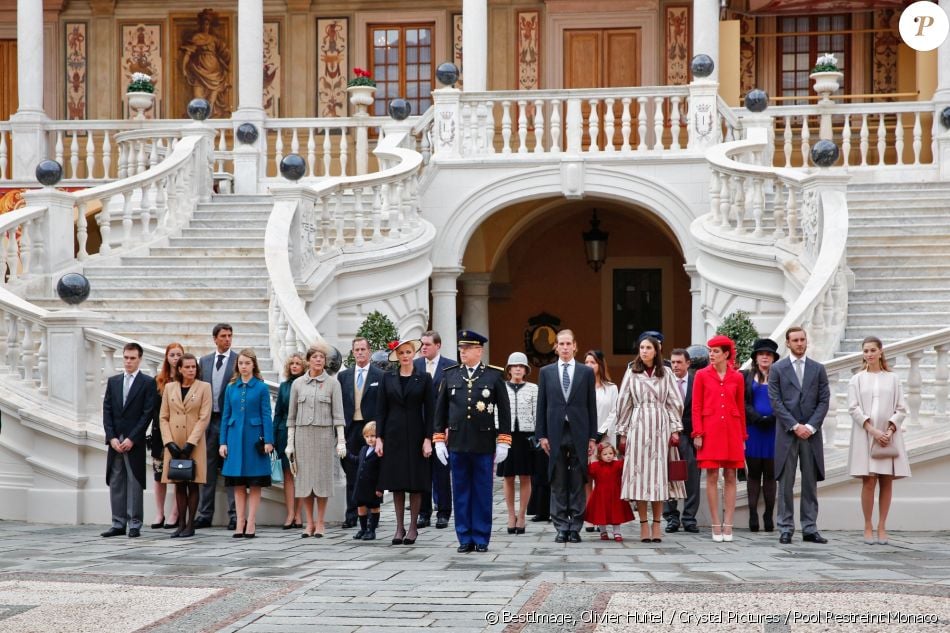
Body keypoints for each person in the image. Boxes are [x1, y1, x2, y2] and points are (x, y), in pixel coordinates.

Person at [433, 330, 512, 553]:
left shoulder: (493, 376)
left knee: (482, 491)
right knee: (460, 492)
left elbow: (504, 411)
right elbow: (440, 411)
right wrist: (438, 439)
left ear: (479, 350)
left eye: (467, 349)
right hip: (457, 442)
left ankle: (481, 537)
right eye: (460, 349)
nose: (462, 352)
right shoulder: (450, 375)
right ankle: (464, 537)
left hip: (483, 442)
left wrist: (504, 441)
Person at [616, 334, 685, 543]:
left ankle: (657, 524)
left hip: (660, 425)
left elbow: (675, 401)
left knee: (658, 478)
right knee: (639, 477)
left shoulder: (667, 373)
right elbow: (623, 401)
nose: (644, 351)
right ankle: (643, 524)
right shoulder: (632, 372)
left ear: (656, 350)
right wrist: (623, 432)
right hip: (638, 425)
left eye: (648, 348)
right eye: (641, 347)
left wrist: (675, 429)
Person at [768, 326, 831, 545]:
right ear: (788, 343)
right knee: (785, 482)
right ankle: (785, 527)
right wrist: (795, 425)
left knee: (810, 483)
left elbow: (824, 400)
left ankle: (810, 528)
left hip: (811, 435)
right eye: (795, 340)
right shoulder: (777, 369)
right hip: (787, 433)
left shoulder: (818, 369)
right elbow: (775, 401)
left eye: (802, 339)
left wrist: (810, 427)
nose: (800, 343)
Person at [536, 329, 598, 544]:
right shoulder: (546, 372)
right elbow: (541, 405)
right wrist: (541, 435)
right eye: (560, 344)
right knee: (558, 478)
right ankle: (561, 525)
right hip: (555, 431)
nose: (564, 347)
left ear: (575, 346)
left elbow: (592, 406)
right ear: (556, 347)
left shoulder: (585, 372)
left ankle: (576, 526)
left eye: (568, 343)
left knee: (578, 479)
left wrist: (592, 437)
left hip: (578, 431)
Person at [847, 336, 910, 545]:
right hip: (866, 435)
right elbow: (853, 408)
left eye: (873, 350)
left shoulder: (893, 378)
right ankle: (867, 525)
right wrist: (873, 430)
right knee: (869, 480)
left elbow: (901, 408)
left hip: (888, 435)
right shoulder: (856, 379)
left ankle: (882, 525)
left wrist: (889, 431)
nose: (869, 354)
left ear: (881, 351)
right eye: (865, 351)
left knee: (886, 480)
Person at [376, 338, 434, 545]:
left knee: (415, 483)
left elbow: (431, 410)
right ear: (397, 357)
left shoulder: (424, 378)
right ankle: (399, 527)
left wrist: (428, 439)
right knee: (397, 483)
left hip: (417, 433)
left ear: (414, 353)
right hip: (393, 435)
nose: (405, 356)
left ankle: (413, 527)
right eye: (401, 353)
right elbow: (381, 410)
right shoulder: (387, 378)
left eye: (408, 352)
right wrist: (379, 438)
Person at [286, 343, 346, 538]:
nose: (319, 360)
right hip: (303, 436)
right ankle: (308, 523)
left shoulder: (332, 384)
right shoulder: (298, 384)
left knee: (321, 481)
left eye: (322, 357)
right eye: (315, 357)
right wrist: (290, 442)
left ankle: (320, 522)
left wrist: (341, 440)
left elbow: (338, 415)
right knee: (304, 482)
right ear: (308, 360)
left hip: (323, 437)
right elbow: (292, 417)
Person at [692, 335, 746, 542]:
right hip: (710, 430)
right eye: (710, 351)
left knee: (731, 476)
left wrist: (742, 435)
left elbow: (740, 408)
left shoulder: (737, 378)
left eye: (715, 351)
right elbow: (696, 406)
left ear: (726, 354)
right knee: (712, 475)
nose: (711, 355)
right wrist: (698, 433)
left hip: (732, 430)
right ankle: (716, 523)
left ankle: (728, 524)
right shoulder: (701, 375)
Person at [101, 342, 157, 538]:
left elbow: (147, 414)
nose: (128, 361)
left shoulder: (148, 383)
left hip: (134, 441)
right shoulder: (113, 381)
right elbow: (107, 411)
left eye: (132, 358)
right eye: (125, 357)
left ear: (139, 359)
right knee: (116, 480)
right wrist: (112, 437)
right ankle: (118, 523)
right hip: (116, 440)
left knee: (134, 482)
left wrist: (133, 438)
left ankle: (134, 524)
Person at [219, 348, 274, 538]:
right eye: (241, 363)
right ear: (237, 365)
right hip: (234, 439)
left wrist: (269, 440)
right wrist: (222, 442)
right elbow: (226, 416)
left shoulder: (261, 387)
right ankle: (239, 522)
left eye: (247, 363)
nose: (244, 367)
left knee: (255, 483)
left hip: (254, 440)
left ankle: (251, 522)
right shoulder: (230, 387)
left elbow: (267, 414)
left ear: (253, 365)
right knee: (238, 484)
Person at [159, 353, 212, 538]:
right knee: (178, 483)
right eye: (187, 367)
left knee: (193, 482)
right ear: (179, 369)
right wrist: (169, 442)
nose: (191, 370)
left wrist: (191, 443)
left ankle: (191, 524)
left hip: (194, 443)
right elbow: (163, 417)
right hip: (174, 441)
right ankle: (180, 523)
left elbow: (204, 417)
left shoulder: (204, 387)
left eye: (193, 367)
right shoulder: (169, 388)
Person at [338, 337, 383, 529]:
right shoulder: (344, 376)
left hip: (370, 430)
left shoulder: (379, 375)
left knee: (371, 473)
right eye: (356, 350)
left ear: (369, 351)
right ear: (353, 352)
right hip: (351, 429)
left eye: (363, 349)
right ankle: (352, 514)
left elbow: (382, 405)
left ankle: (373, 517)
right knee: (351, 472)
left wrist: (380, 432)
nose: (360, 353)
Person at [197, 323, 238, 530]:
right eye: (223, 336)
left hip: (229, 421)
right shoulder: (203, 362)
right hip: (207, 421)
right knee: (207, 469)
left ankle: (234, 515)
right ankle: (204, 514)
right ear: (215, 339)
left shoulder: (239, 361)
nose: (227, 339)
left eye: (230, 336)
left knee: (230, 470)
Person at [414, 330, 455, 529]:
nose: (423, 347)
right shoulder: (415, 365)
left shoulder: (450, 366)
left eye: (428, 344)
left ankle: (444, 512)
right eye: (422, 344)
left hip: (441, 426)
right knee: (422, 472)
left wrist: (448, 426)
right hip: (419, 426)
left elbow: (453, 400)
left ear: (438, 345)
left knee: (441, 471)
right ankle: (423, 513)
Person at [497, 352, 537, 535]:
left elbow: (537, 413)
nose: (518, 369)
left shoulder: (533, 389)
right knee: (508, 476)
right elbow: (496, 412)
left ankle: (522, 515)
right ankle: (510, 515)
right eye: (515, 366)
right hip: (506, 435)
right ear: (509, 369)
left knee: (526, 476)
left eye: (521, 366)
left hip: (526, 436)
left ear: (526, 369)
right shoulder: (501, 387)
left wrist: (538, 435)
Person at [743, 338, 780, 533]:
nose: (765, 356)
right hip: (754, 429)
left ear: (773, 358)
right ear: (755, 357)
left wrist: (773, 416)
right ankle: (752, 514)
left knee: (771, 474)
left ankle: (768, 514)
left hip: (774, 430)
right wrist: (756, 417)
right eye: (761, 353)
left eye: (768, 354)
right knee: (754, 473)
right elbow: (743, 401)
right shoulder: (747, 377)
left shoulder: (780, 376)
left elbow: (785, 400)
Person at [663, 348, 700, 534]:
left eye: (679, 362)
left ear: (688, 363)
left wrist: (699, 434)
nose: (675, 365)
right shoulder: (664, 381)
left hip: (691, 435)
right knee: (669, 476)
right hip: (668, 436)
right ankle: (671, 517)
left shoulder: (696, 382)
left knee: (692, 477)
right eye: (673, 362)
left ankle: (689, 518)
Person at [149, 342, 183, 530]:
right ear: (167, 357)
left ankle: (175, 513)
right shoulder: (158, 380)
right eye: (172, 355)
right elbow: (153, 409)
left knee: (179, 473)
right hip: (159, 435)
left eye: (179, 354)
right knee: (158, 475)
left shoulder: (186, 379)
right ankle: (159, 512)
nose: (175, 358)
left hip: (179, 433)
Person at [584, 349, 618, 533]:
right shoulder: (581, 386)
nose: (589, 366)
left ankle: (604, 516)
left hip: (605, 439)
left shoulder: (611, 388)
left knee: (604, 480)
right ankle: (590, 517)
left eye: (593, 362)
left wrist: (600, 432)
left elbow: (615, 411)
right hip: (585, 438)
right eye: (587, 362)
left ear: (600, 365)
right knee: (588, 477)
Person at [273, 352, 305, 529]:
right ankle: (290, 513)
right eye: (292, 363)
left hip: (303, 431)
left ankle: (299, 514)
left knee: (299, 474)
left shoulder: (307, 384)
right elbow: (277, 413)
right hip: (284, 432)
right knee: (287, 474)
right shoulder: (284, 386)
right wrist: (272, 436)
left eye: (298, 363)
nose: (294, 366)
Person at [180, 8, 231, 116]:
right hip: (199, 71)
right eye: (203, 23)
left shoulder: (214, 39)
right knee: (198, 98)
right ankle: (198, 119)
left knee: (211, 101)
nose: (205, 26)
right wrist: (184, 68)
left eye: (208, 24)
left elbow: (224, 53)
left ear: (210, 25)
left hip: (215, 72)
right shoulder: (196, 37)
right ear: (201, 24)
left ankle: (210, 120)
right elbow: (188, 53)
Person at [585, 442, 634, 542]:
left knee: (616, 513)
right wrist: (590, 458)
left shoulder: (617, 464)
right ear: (599, 455)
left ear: (614, 454)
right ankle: (603, 531)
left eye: (610, 453)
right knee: (601, 513)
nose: (608, 456)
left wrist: (626, 453)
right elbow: (589, 470)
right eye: (605, 454)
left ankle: (617, 532)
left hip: (615, 494)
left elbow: (626, 464)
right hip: (600, 494)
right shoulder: (596, 466)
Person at [350, 421, 383, 541]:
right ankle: (363, 529)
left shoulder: (380, 452)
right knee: (361, 507)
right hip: (361, 485)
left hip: (373, 487)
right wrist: (346, 454)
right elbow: (357, 460)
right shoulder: (364, 449)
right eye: (367, 436)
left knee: (374, 507)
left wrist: (380, 488)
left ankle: (372, 531)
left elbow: (382, 472)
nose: (370, 439)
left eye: (373, 436)